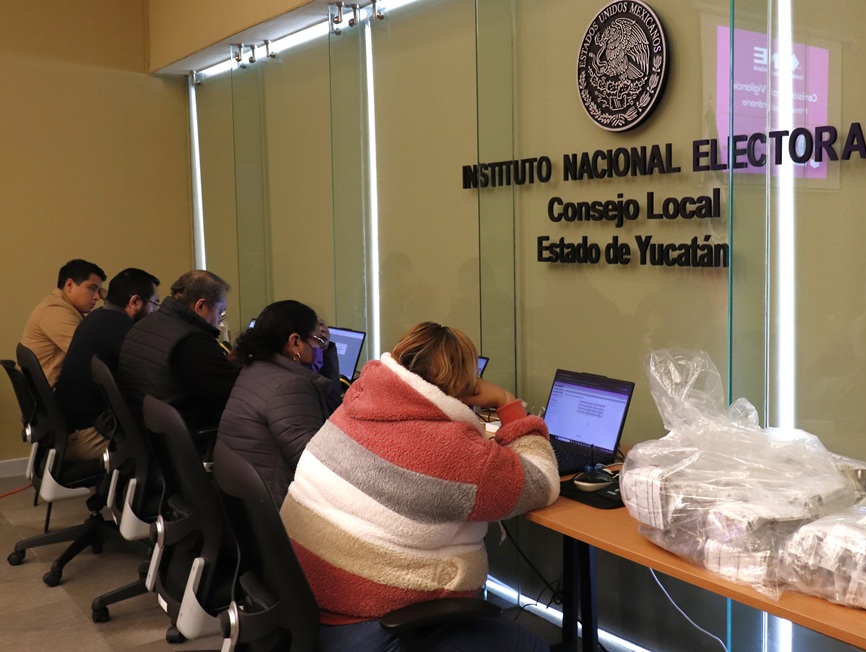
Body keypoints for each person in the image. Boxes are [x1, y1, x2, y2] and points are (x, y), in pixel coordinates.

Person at [281, 322, 559, 652]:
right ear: (467, 384)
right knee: (534, 647)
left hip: (307, 601)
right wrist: (507, 401)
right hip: (372, 623)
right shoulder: (451, 450)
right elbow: (543, 481)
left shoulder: (354, 406)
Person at [218, 300, 343, 508]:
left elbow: (327, 405)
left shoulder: (255, 368)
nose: (319, 348)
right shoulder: (291, 387)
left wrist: (326, 350)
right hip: (277, 506)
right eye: (317, 341)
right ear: (295, 342)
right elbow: (316, 464)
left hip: (246, 502)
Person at [119, 269, 240, 439]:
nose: (218, 321)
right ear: (201, 306)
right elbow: (232, 396)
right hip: (183, 435)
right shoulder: (192, 340)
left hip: (146, 428)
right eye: (220, 312)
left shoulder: (146, 323)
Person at [55, 268, 160, 461]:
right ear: (135, 302)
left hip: (68, 429)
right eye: (154, 304)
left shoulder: (96, 318)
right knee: (170, 438)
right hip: (87, 436)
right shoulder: (124, 331)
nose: (154, 312)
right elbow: (150, 380)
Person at [21, 259, 106, 386]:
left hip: (48, 388)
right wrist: (114, 302)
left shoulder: (65, 308)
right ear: (69, 285)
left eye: (99, 291)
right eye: (92, 288)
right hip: (52, 392)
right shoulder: (55, 311)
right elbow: (90, 354)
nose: (97, 297)